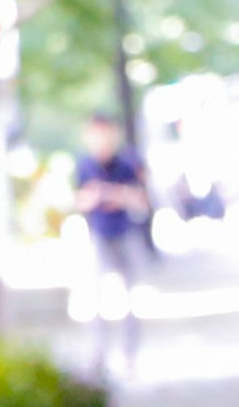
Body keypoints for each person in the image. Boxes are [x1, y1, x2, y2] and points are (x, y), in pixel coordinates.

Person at [69, 113, 150, 379]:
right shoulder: (84, 165)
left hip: (126, 235)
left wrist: (112, 194)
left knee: (130, 300)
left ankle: (130, 355)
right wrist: (101, 196)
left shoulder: (127, 163)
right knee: (95, 300)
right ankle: (97, 356)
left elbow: (140, 199)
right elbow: (80, 201)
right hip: (98, 236)